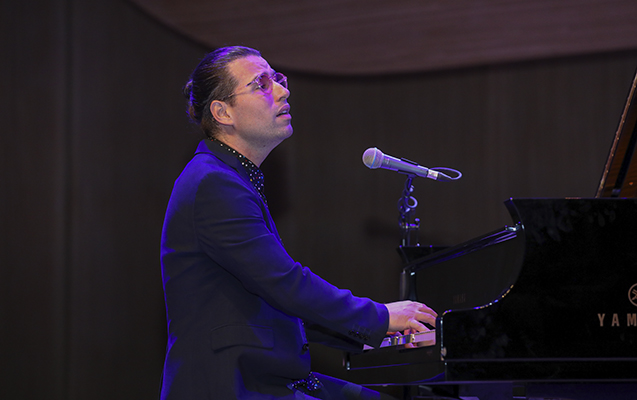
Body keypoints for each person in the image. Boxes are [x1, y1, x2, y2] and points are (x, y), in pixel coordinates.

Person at [159, 46, 437, 400]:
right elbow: (284, 283)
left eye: (277, 78)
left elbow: (272, 302)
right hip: (232, 384)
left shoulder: (226, 178)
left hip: (263, 378)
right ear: (222, 112)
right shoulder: (213, 183)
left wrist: (378, 332)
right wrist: (378, 318)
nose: (282, 90)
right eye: (261, 84)